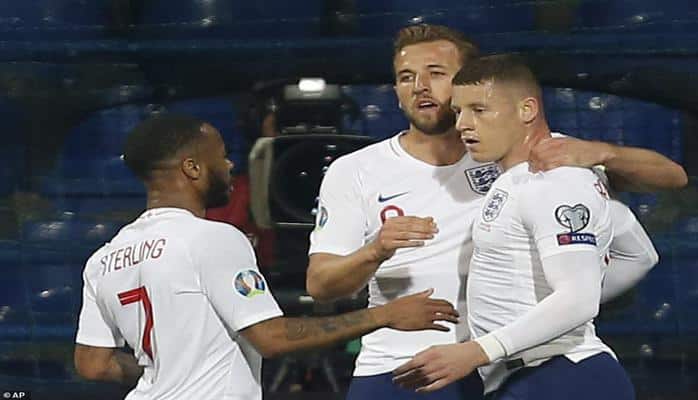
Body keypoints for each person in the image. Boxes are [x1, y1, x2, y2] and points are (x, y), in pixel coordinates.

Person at [306, 24, 685, 400]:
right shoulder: (356, 170)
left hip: (505, 362)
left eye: (436, 73)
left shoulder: (541, 158)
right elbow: (321, 285)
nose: (420, 86)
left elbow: (672, 178)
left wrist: (605, 153)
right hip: (404, 368)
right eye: (406, 77)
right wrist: (375, 250)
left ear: (468, 80)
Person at [72, 114, 461, 400]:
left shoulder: (103, 259)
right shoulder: (212, 238)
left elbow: (93, 364)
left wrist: (165, 378)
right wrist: (385, 315)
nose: (230, 165)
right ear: (192, 168)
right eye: (221, 156)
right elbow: (272, 339)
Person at [392, 54, 640, 399]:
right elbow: (639, 255)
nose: (462, 124)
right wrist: (547, 309)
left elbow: (580, 299)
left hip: (561, 376)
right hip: (531, 376)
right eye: (459, 111)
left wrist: (479, 350)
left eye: (479, 110)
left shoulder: (554, 181)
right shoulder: (522, 180)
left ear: (527, 110)